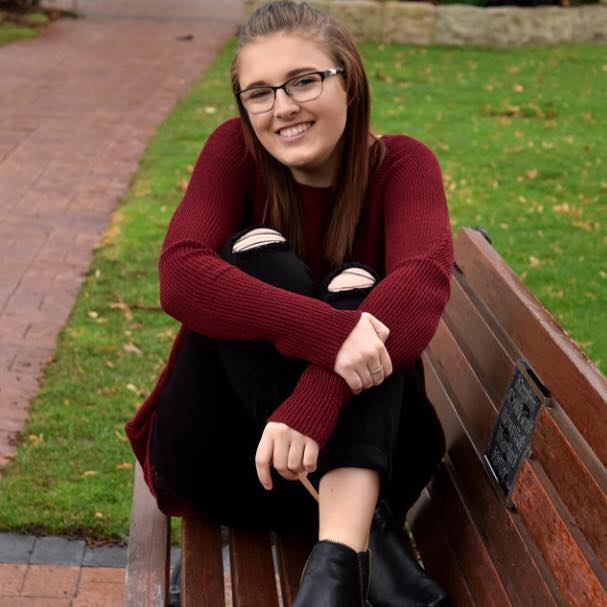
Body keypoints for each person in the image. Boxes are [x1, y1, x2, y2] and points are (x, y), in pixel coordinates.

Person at [124, 1, 454, 605]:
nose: (283, 109)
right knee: (249, 257)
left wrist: (316, 399)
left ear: (348, 80)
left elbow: (423, 281)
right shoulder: (235, 153)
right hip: (230, 459)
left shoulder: (403, 166)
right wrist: (331, 335)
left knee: (365, 289)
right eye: (259, 93)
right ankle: (365, 540)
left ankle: (335, 562)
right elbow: (180, 275)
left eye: (304, 81)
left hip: (379, 459)